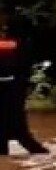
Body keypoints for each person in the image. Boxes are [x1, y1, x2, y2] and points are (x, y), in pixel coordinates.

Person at [0, 25, 48, 156]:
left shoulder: (16, 44)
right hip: (15, 90)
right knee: (20, 133)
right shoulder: (19, 44)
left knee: (16, 133)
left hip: (12, 91)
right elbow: (25, 68)